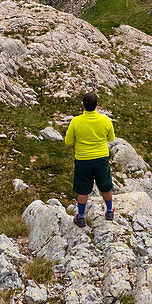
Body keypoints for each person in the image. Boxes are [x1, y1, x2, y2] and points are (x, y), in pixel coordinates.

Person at [63, 92, 115, 227]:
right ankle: (109, 211)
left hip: (83, 159)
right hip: (101, 158)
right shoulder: (105, 120)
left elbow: (68, 142)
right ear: (97, 105)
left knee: (83, 188)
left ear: (83, 106)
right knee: (105, 185)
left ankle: (80, 217)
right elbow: (111, 139)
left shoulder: (76, 121)